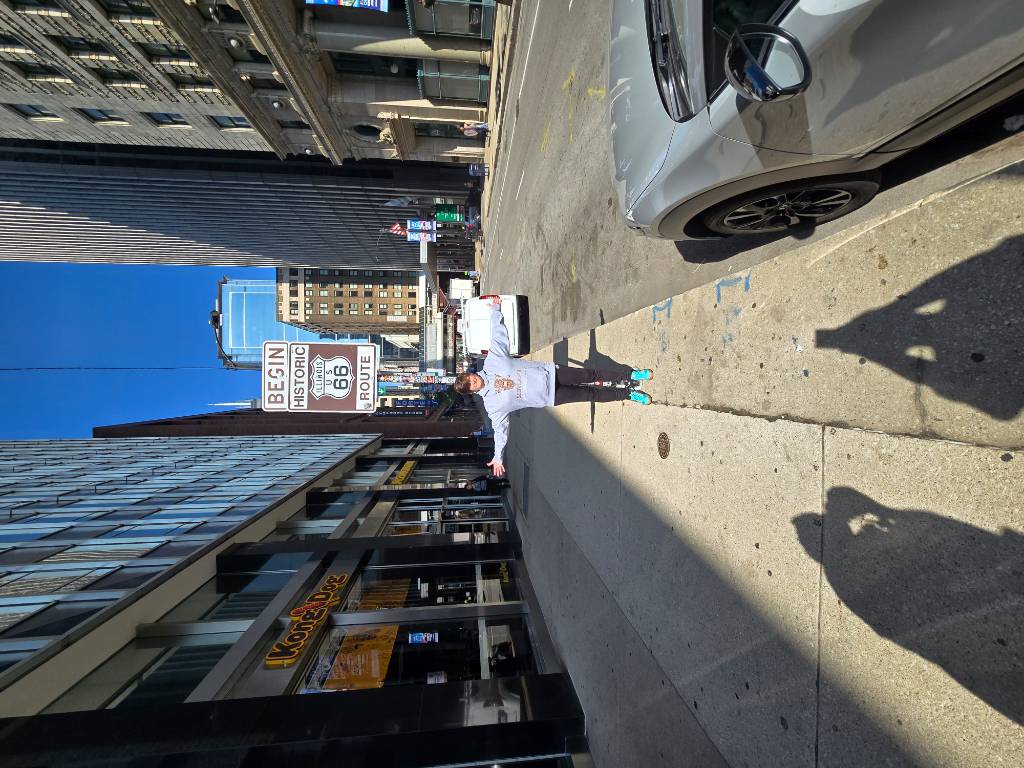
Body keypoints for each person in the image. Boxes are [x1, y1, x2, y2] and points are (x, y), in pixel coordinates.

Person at [453, 301, 652, 477]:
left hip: (552, 373)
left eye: (470, 378)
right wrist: (498, 456)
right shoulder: (492, 406)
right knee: (589, 394)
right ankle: (627, 394)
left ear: (470, 374)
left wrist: (495, 310)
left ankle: (630, 375)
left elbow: (498, 337)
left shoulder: (492, 362)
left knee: (591, 376)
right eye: (470, 385)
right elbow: (500, 430)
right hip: (551, 396)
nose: (473, 381)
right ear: (471, 391)